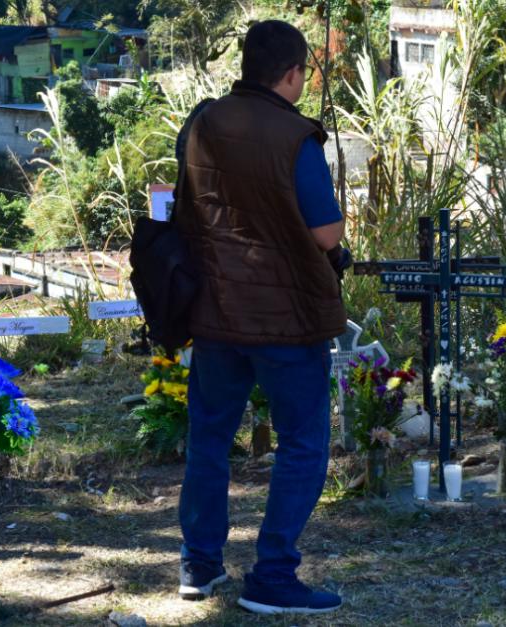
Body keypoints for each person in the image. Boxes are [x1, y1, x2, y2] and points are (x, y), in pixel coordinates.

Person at [174, 19, 349, 616]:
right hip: (285, 318)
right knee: (303, 441)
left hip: (215, 312)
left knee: (210, 438)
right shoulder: (295, 135)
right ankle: (273, 573)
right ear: (294, 73)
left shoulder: (203, 122)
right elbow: (325, 231)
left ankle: (199, 565)